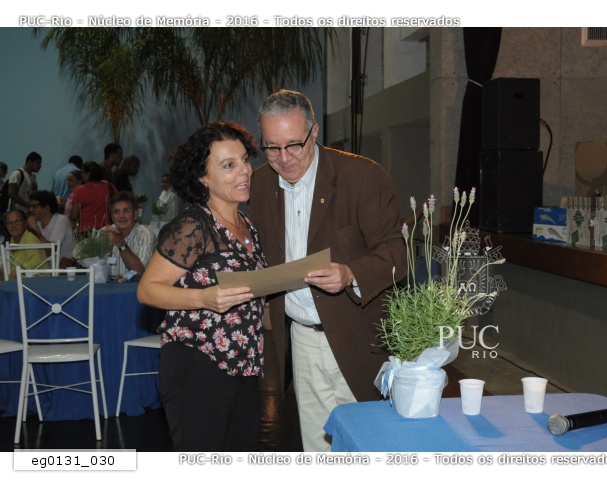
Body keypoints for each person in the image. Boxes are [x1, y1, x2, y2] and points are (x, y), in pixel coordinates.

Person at [249, 89, 406, 452]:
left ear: (314, 131)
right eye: (271, 147)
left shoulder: (361, 176)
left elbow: (397, 253)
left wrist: (350, 273)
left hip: (359, 336)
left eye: (294, 145)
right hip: (301, 339)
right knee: (318, 448)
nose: (284, 158)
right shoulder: (259, 184)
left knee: (371, 445)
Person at [137, 122, 267, 452]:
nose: (244, 171)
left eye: (244, 160)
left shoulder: (247, 226)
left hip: (243, 365)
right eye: (228, 165)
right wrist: (205, 298)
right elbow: (147, 289)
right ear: (203, 178)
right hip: (198, 364)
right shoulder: (193, 226)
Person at [101, 191, 155, 278]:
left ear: (135, 215)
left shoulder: (146, 235)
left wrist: (121, 244)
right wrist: (106, 248)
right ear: (112, 217)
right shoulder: (104, 233)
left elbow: (138, 271)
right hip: (107, 285)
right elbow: (94, 271)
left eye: (126, 211)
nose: (121, 215)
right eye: (116, 212)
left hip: (135, 285)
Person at [27, 190, 76, 268]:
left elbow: (50, 250)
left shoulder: (61, 220)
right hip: (46, 266)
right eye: (30, 206)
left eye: (34, 206)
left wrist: (35, 228)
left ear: (47, 208)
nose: (30, 210)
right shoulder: (38, 223)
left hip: (63, 267)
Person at [69, 161, 117, 234]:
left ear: (88, 174)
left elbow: (74, 215)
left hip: (85, 232)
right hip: (106, 231)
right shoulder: (110, 187)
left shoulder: (80, 190)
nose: (82, 176)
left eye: (83, 173)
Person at [0, 209, 47, 280]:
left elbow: (36, 261)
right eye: (9, 222)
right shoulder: (12, 240)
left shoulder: (30, 238)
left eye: (18, 221)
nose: (13, 225)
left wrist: (17, 270)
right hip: (17, 282)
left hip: (35, 282)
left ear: (25, 223)